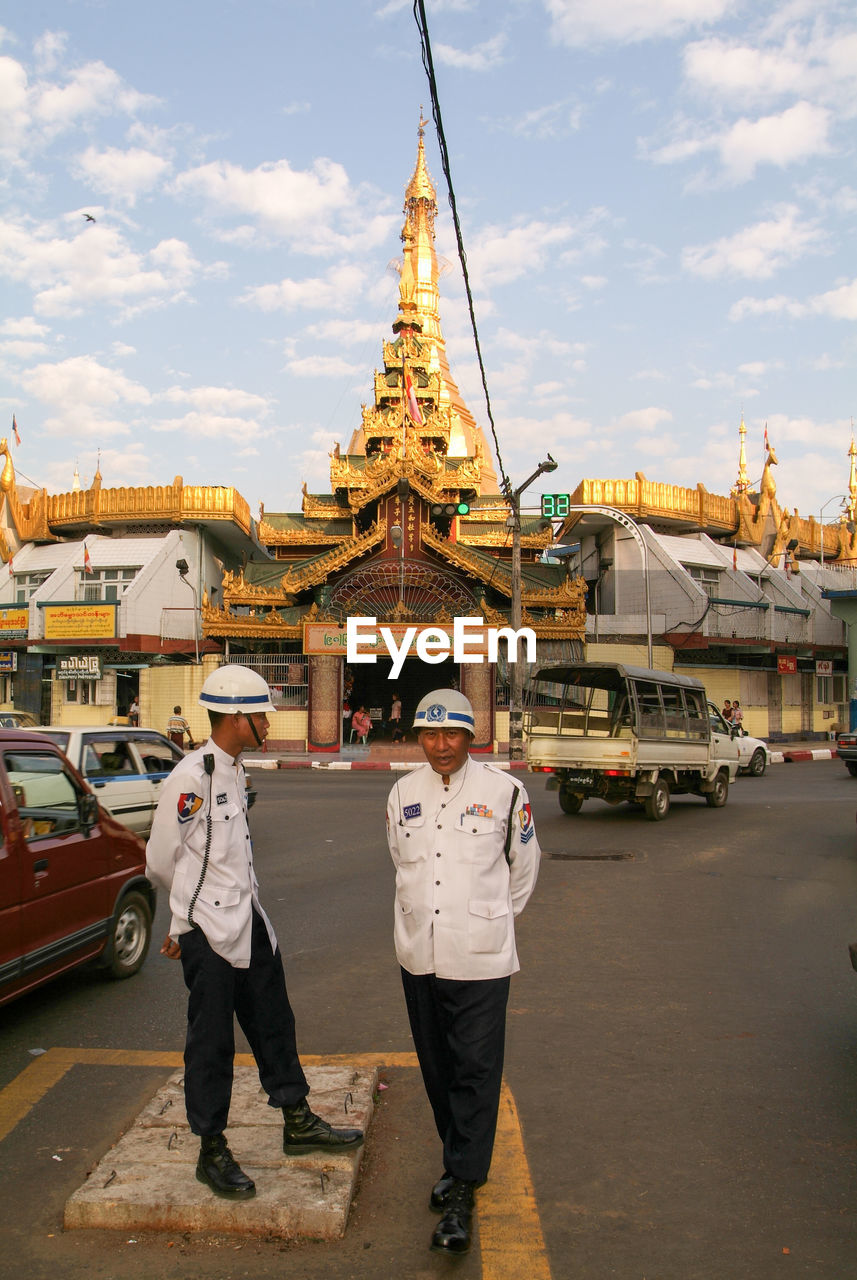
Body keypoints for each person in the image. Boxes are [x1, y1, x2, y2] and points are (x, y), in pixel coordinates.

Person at [146, 666, 362, 1201]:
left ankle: (296, 1117)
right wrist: (185, 920)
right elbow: (159, 861)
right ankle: (211, 1149)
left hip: (249, 920)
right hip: (209, 930)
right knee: (211, 1041)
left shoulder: (236, 770)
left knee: (274, 1021)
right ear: (237, 718)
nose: (268, 721)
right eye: (261, 713)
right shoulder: (190, 777)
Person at [385, 689, 540, 1255]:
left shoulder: (504, 792)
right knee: (437, 1068)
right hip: (419, 954)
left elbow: (524, 867)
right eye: (430, 734)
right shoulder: (403, 792)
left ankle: (461, 1191)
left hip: (480, 958)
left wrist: (491, 917)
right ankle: (459, 1160)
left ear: (470, 737)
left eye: (451, 734)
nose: (440, 745)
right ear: (419, 737)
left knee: (475, 1069)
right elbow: (401, 862)